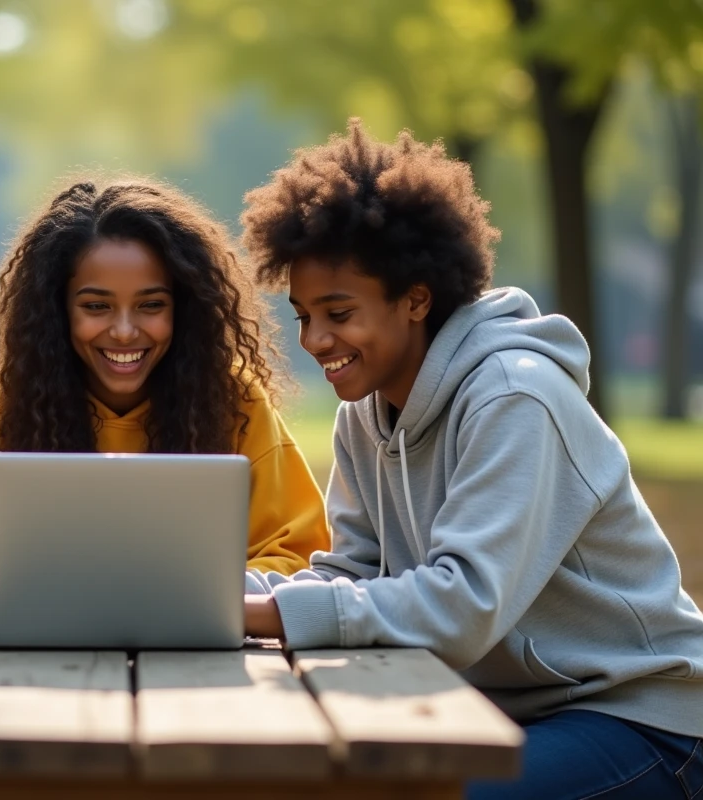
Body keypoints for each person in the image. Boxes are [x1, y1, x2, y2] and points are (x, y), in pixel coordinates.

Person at [240, 120, 703, 799]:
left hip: (640, 719)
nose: (315, 339)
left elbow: (461, 607)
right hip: (503, 709)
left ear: (416, 299)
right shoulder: (363, 417)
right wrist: (223, 593)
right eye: (304, 314)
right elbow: (350, 575)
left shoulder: (516, 396)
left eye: (339, 312)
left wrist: (250, 613)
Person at [0, 177, 330, 592]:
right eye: (96, 306)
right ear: (57, 309)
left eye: (151, 305)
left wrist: (194, 593)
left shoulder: (235, 402)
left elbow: (298, 553)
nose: (124, 332)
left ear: (184, 308)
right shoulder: (2, 415)